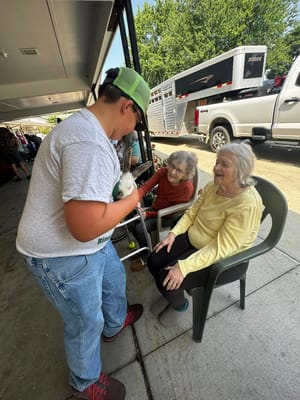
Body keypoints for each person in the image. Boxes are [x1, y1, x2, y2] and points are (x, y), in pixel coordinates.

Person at [16, 67, 150, 400]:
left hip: (89, 246)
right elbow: (85, 226)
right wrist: (134, 198)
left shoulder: (87, 132)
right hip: (62, 254)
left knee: (114, 278)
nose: (134, 130)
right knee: (84, 320)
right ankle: (85, 380)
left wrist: (113, 194)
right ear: (127, 107)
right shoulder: (89, 141)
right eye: (138, 121)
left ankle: (115, 323)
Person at [147, 142, 263, 326]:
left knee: (165, 279)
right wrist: (173, 234)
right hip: (196, 238)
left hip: (224, 260)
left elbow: (220, 248)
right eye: (217, 161)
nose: (216, 167)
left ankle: (180, 304)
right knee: (153, 260)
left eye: (224, 164)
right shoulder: (213, 186)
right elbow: (192, 213)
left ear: (241, 170)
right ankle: (174, 294)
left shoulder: (246, 205)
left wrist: (183, 267)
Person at [130, 150, 198, 271]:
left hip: (167, 217)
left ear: (186, 174)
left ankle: (146, 257)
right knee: (131, 221)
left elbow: (171, 212)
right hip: (155, 208)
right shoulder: (162, 172)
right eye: (171, 166)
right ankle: (144, 247)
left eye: (179, 170)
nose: (172, 171)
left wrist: (148, 214)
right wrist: (136, 200)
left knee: (140, 228)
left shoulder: (187, 188)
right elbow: (145, 187)